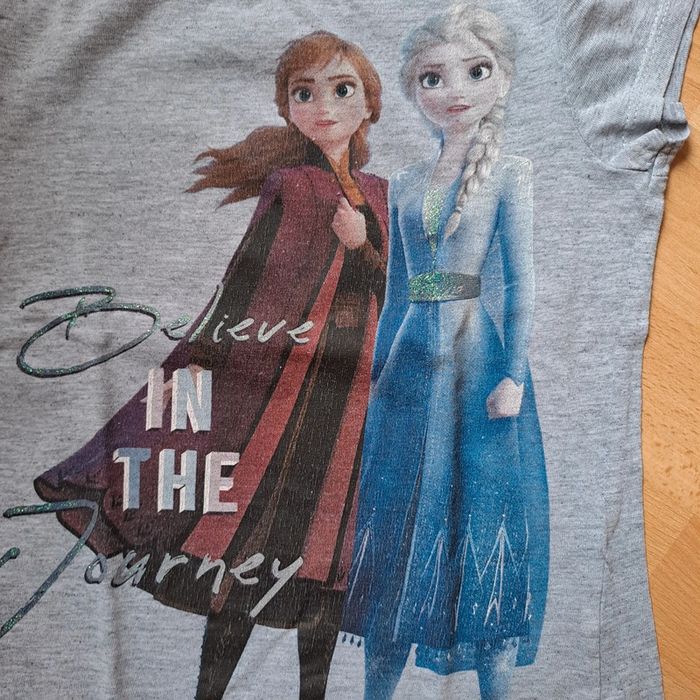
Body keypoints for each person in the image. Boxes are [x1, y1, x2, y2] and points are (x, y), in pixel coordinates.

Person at [34, 30, 387, 699]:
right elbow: (245, 290)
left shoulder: (384, 194)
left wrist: (364, 243)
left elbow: (403, 294)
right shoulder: (290, 185)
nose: (323, 106)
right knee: (248, 548)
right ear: (286, 108)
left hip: (355, 410)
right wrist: (203, 373)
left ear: (370, 102)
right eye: (304, 93)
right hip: (284, 402)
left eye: (342, 90)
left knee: (331, 561)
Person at [341, 6, 549, 699]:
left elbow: (520, 282)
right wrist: (374, 377)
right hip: (408, 366)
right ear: (413, 89)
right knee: (398, 518)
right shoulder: (403, 183)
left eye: (475, 71)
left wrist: (513, 374)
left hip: (477, 365)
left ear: (503, 79)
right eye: (433, 78)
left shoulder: (511, 173)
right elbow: (397, 290)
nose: (454, 90)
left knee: (482, 516)